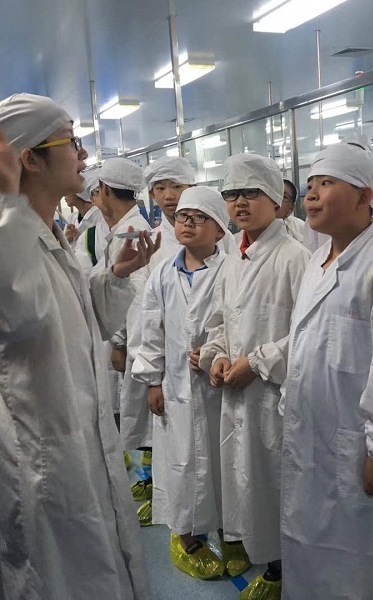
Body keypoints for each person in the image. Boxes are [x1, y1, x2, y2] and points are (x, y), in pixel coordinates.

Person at [0, 94, 157, 599]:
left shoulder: (47, 235)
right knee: (60, 579)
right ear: (31, 159)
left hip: (79, 443)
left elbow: (72, 323)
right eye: (72, 143)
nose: (84, 155)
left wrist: (112, 277)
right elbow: (20, 316)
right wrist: (9, 196)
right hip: (47, 461)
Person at [280, 142, 373, 600]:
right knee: (314, 558)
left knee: (369, 568)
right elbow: (306, 344)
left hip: (360, 449)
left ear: (365, 196)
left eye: (326, 184)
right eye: (310, 185)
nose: (311, 195)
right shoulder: (317, 261)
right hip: (312, 442)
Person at [199, 153, 311, 600]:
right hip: (238, 393)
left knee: (279, 483)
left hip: (274, 396)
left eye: (251, 193)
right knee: (249, 482)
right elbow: (222, 320)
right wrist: (216, 357)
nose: (240, 203)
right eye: (232, 194)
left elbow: (307, 333)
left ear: (275, 198)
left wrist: (258, 362)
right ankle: (267, 558)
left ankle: (286, 570)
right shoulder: (234, 258)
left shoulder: (295, 258)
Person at [132, 187, 233, 580]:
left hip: (219, 385)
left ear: (220, 230)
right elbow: (151, 330)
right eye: (183, 217)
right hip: (174, 386)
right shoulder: (163, 273)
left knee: (222, 462)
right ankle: (185, 535)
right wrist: (151, 381)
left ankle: (230, 533)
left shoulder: (232, 272)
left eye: (199, 217)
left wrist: (215, 349)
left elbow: (238, 322)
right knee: (181, 461)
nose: (187, 223)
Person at [94, 157, 155, 523]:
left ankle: (152, 485)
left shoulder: (132, 233)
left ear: (104, 191)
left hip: (136, 343)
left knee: (143, 420)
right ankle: (147, 482)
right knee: (136, 417)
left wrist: (118, 342)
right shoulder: (122, 229)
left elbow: (136, 296)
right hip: (130, 341)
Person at [64, 167, 108, 280]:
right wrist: (66, 239)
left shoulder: (100, 217)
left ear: (79, 194)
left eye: (68, 191)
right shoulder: (72, 218)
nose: (64, 195)